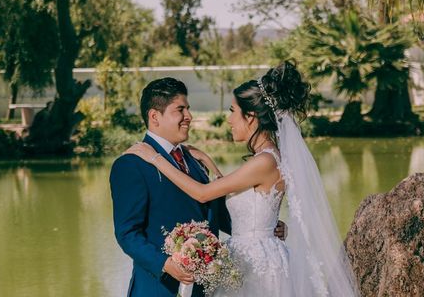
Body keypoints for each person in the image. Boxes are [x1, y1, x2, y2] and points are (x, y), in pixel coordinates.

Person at [125, 62, 359, 296]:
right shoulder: (266, 158)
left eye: (232, 111)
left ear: (251, 117)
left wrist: (156, 158)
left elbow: (203, 194)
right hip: (249, 258)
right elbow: (240, 199)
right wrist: (208, 161)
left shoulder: (264, 161)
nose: (229, 120)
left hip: (256, 265)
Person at [110, 77, 285, 297]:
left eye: (188, 109)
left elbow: (219, 215)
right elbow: (127, 234)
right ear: (154, 117)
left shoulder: (195, 159)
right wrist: (165, 264)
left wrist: (265, 228)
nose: (189, 117)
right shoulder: (131, 164)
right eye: (180, 110)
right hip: (159, 288)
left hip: (206, 289)